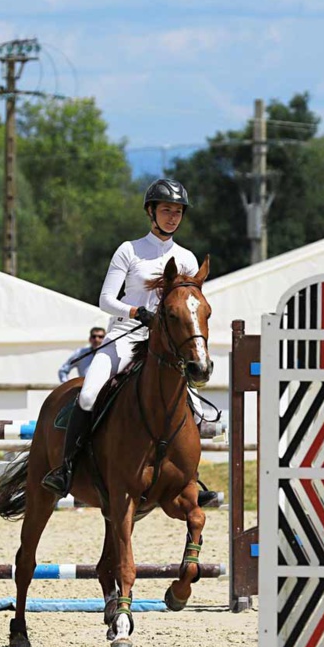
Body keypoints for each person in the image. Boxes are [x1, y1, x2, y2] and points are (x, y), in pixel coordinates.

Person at [41, 178, 199, 499]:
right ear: (151, 212)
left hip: (164, 347)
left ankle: (189, 476)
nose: (173, 217)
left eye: (178, 211)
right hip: (125, 337)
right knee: (87, 395)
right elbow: (105, 299)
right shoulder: (130, 250)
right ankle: (66, 468)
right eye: (166, 210)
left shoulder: (187, 259)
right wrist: (137, 312)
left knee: (193, 408)